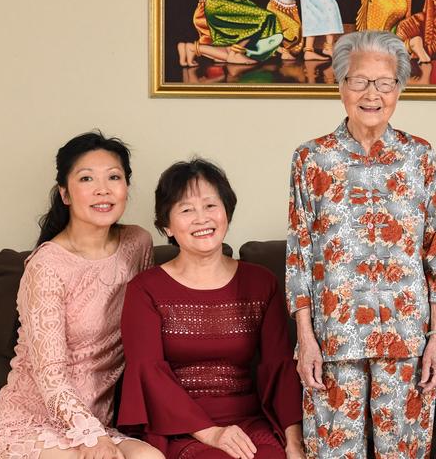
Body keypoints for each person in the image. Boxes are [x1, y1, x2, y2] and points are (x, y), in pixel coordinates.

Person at [285, 30, 436, 458]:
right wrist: (305, 339)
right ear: (340, 85)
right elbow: (300, 254)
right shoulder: (312, 159)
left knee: (402, 451)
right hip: (335, 336)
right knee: (332, 452)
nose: (372, 94)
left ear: (399, 88)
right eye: (359, 81)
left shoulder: (420, 156)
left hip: (407, 335)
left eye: (385, 82)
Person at [0, 133, 162, 459]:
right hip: (31, 423)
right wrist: (91, 437)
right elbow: (50, 374)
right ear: (65, 194)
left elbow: (146, 328)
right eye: (86, 178)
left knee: (150, 457)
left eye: (114, 177)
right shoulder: (47, 265)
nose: (103, 189)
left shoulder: (138, 243)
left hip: (97, 420)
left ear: (126, 187)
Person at [118, 159, 304, 459]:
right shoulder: (145, 289)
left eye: (210, 206)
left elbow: (279, 367)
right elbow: (148, 373)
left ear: (226, 212)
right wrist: (212, 433)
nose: (201, 218)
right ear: (166, 225)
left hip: (248, 422)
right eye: (186, 209)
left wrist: (294, 441)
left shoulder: (261, 283)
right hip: (179, 427)